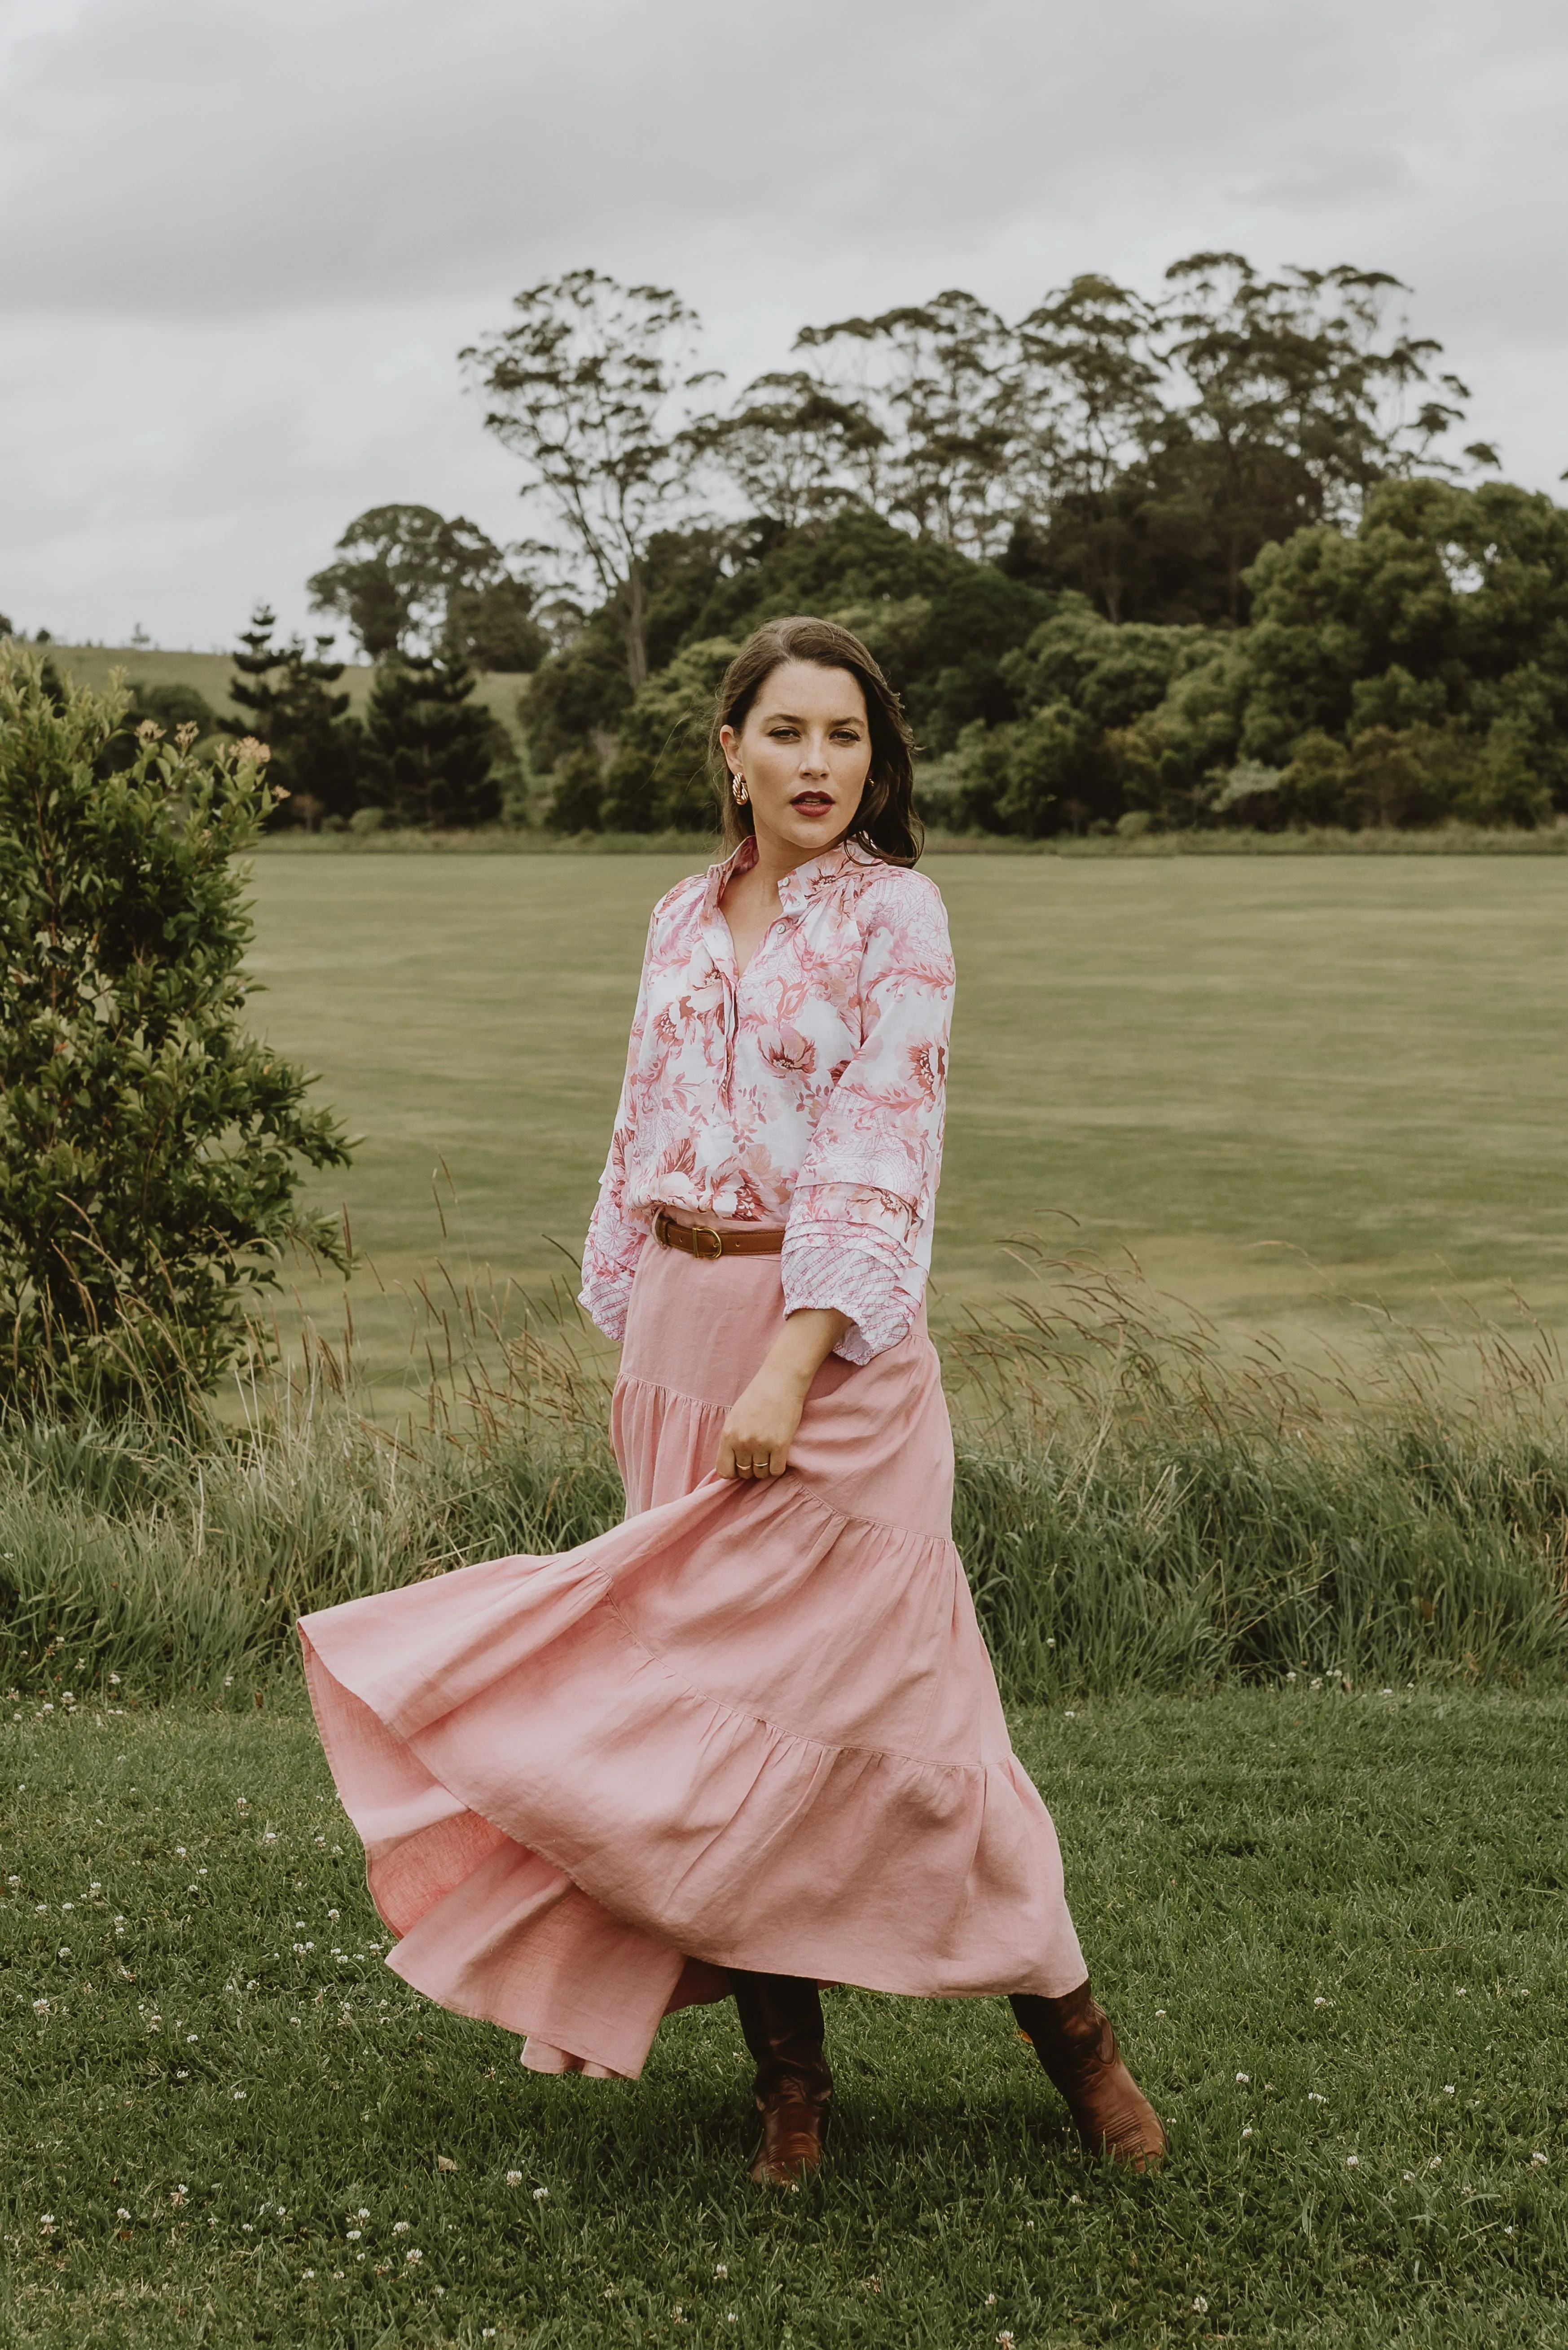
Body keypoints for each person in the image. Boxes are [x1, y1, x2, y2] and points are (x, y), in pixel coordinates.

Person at [299, 615, 1164, 2184]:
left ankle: (1082, 2052)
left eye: (846, 739)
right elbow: (640, 1120)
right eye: (787, 734)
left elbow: (882, 1146)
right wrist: (645, 1327)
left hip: (828, 1349)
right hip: (683, 1337)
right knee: (715, 1739)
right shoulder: (678, 917)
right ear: (731, 750)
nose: (818, 764)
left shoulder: (898, 918)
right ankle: (791, 2092)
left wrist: (789, 1353)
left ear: (876, 762)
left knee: (915, 1726)